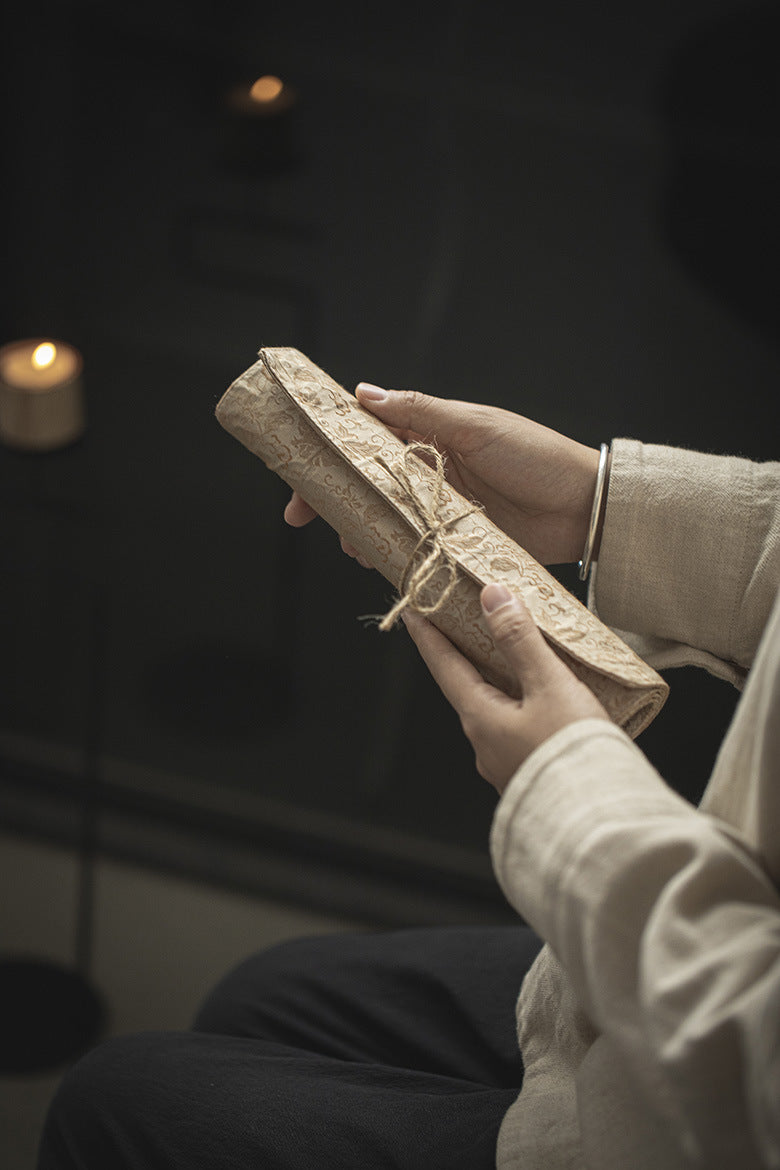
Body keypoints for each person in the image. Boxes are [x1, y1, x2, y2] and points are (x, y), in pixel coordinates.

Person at [38, 383, 780, 1169]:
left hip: (689, 1088)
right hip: (691, 949)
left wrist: (568, 789)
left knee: (112, 1101)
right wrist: (598, 504)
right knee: (262, 994)